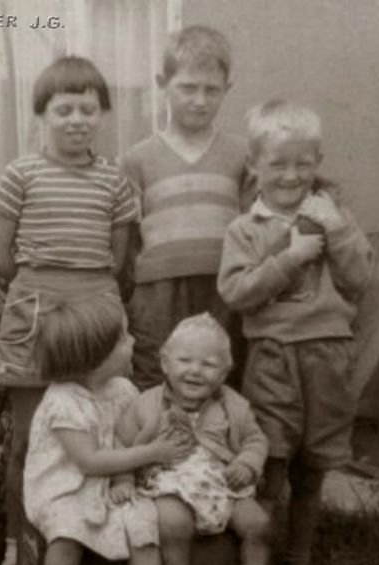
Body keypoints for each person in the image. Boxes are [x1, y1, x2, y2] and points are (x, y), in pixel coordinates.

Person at [0, 56, 138, 565]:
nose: (77, 119)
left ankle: (100, 541)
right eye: (63, 109)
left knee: (104, 426)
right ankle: (15, 553)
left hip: (95, 308)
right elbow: (0, 256)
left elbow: (117, 259)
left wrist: (90, 305)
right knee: (30, 441)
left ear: (103, 115)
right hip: (36, 310)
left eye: (88, 109)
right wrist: (40, 295)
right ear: (41, 115)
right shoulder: (20, 174)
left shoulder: (114, 179)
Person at [218, 100, 372, 565]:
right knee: (271, 463)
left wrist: (337, 228)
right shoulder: (246, 228)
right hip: (274, 356)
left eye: (303, 163)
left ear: (318, 162)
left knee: (314, 464)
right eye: (278, 164)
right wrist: (290, 258)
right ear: (255, 167)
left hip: (327, 356)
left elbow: (360, 278)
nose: (291, 175)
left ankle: (298, 562)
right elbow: (236, 293)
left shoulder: (332, 216)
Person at [24, 299, 189, 565]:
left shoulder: (122, 390)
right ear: (93, 358)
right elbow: (88, 460)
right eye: (123, 339)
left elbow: (127, 439)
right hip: (65, 485)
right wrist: (151, 454)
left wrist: (147, 444)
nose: (132, 342)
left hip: (113, 477)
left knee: (143, 525)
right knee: (66, 533)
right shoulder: (63, 402)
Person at [116, 313, 276, 565]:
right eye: (185, 360)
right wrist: (123, 479)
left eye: (208, 364)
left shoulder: (234, 405)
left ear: (225, 371)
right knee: (174, 523)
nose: (195, 370)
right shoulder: (146, 405)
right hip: (169, 482)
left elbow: (256, 439)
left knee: (259, 523)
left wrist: (247, 463)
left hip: (223, 485)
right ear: (165, 363)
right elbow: (121, 441)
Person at [122, 25, 252, 391]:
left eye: (211, 90)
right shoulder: (138, 159)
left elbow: (253, 224)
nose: (199, 100)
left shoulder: (242, 154)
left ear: (227, 89)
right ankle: (158, 448)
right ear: (163, 83)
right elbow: (129, 237)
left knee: (221, 372)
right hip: (158, 289)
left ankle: (217, 447)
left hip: (223, 284)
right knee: (156, 370)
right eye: (188, 87)